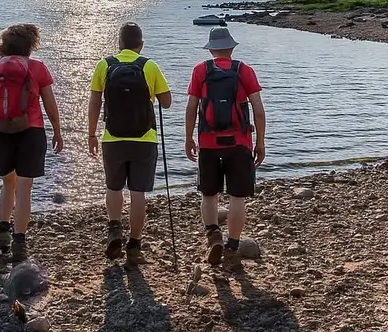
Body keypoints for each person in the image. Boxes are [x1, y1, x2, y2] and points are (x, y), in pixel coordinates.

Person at [87, 22, 172, 266]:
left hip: (112, 138)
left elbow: (94, 103)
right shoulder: (149, 65)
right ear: (140, 44)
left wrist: (91, 134)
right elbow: (166, 103)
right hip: (144, 140)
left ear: (119, 43)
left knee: (113, 188)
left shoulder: (104, 65)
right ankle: (134, 246)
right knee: (137, 193)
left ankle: (115, 228)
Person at [0, 23, 64, 262]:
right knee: (25, 186)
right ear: (30, 45)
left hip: (0, 130)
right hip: (31, 129)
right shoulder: (37, 68)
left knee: (8, 182)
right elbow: (49, 103)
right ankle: (19, 241)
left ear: (4, 45)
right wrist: (57, 131)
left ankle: (3, 232)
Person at [185, 26, 266, 271]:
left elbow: (191, 108)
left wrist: (188, 138)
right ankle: (232, 248)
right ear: (231, 48)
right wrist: (260, 142)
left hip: (208, 142)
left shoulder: (200, 70)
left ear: (211, 49)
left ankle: (213, 238)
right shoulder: (244, 70)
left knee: (209, 194)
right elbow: (259, 111)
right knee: (237, 197)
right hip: (239, 143)